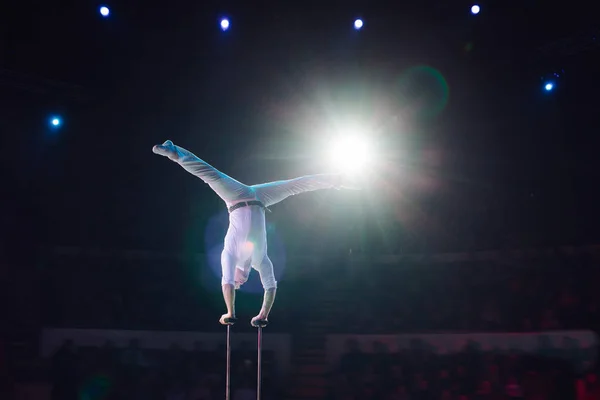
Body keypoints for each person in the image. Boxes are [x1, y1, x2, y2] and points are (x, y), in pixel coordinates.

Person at [152, 140, 359, 327]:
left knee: (211, 175)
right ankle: (339, 180)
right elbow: (270, 288)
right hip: (260, 199)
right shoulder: (260, 261)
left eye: (237, 283)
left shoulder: (229, 256)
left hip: (235, 197)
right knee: (295, 185)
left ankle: (174, 152)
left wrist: (230, 313)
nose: (239, 283)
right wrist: (263, 315)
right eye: (242, 283)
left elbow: (227, 283)